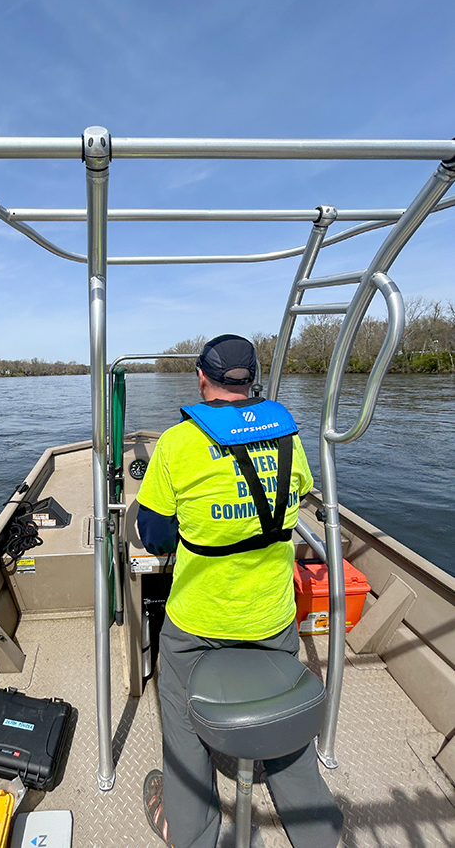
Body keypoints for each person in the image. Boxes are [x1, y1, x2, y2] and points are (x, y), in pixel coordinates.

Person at [136, 335, 343, 848]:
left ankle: (193, 832)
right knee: (292, 744)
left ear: (201, 379)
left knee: (183, 728)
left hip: (196, 627)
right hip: (272, 622)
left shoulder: (177, 444)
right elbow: (295, 496)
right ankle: (317, 832)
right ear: (253, 379)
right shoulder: (289, 438)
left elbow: (155, 535)